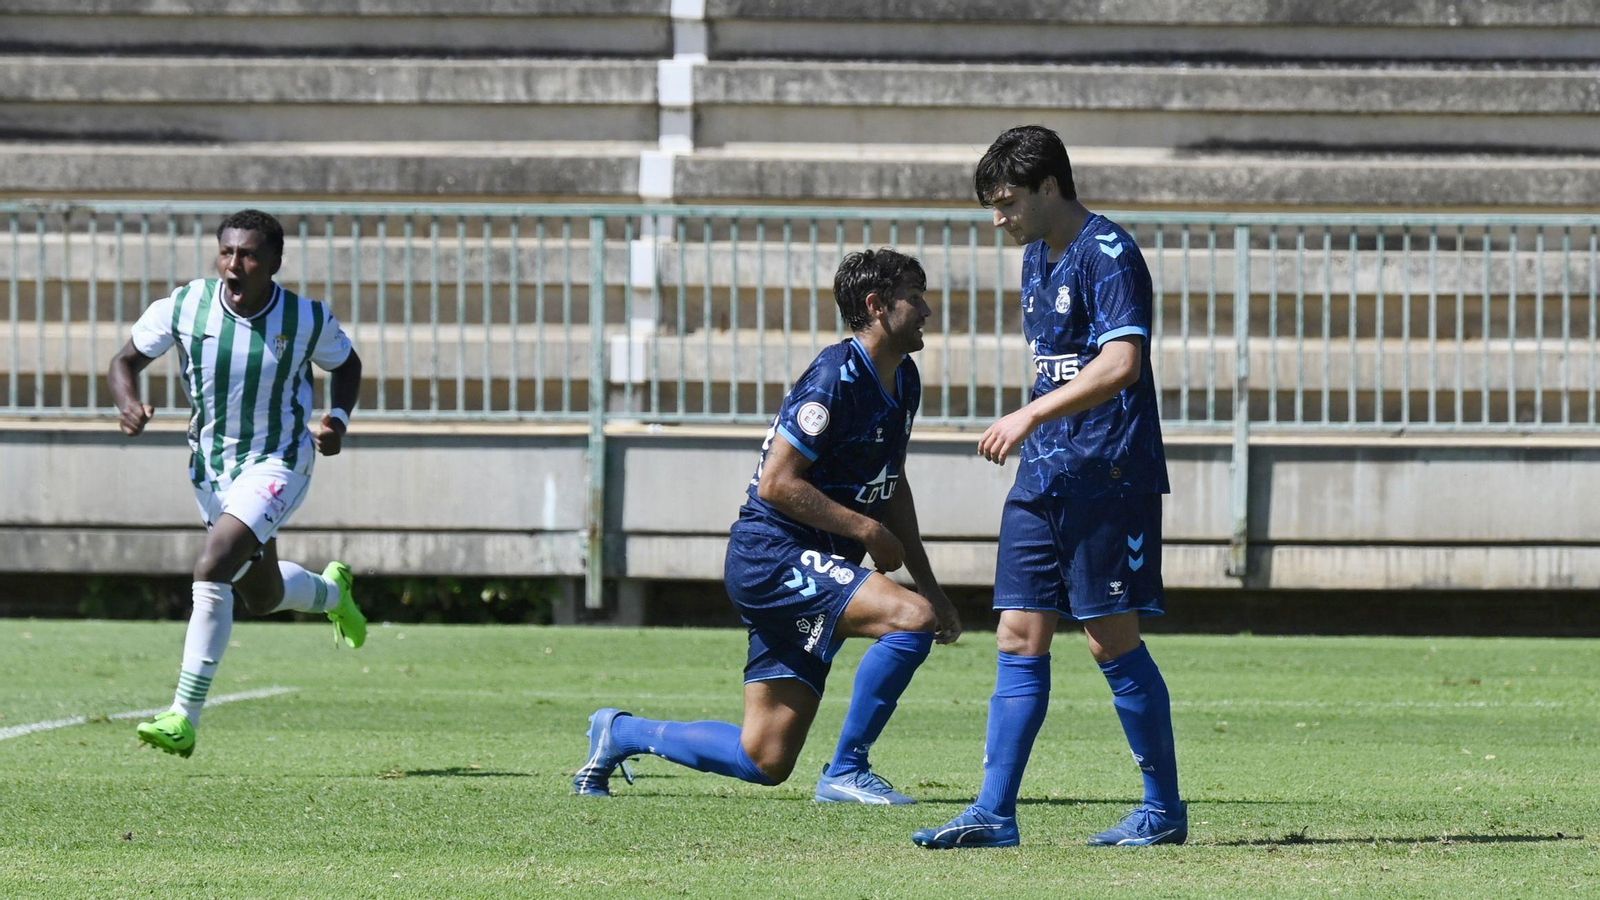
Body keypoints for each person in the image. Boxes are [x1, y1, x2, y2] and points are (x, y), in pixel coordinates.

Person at [575, 249, 961, 803]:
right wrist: (867, 532)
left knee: (763, 759)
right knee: (910, 619)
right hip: (772, 557)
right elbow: (776, 484)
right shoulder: (835, 377)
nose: (926, 310)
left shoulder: (904, 378)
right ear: (877, 305)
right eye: (914, 297)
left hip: (811, 567)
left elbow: (889, 481)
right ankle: (847, 770)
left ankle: (620, 732)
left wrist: (931, 584)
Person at [914, 126, 1185, 849]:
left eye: (1007, 203)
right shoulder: (1037, 255)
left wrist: (1029, 414)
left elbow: (1121, 363)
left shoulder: (1110, 254)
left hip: (1108, 473)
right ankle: (993, 813)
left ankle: (1162, 811)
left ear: (1050, 187)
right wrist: (1037, 427)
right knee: (1017, 633)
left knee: (1109, 640)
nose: (997, 219)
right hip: (1045, 473)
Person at [108, 208, 367, 759]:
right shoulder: (185, 305)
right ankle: (332, 593)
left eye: (248, 255)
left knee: (213, 565)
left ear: (274, 262)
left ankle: (183, 716)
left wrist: (338, 420)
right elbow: (124, 361)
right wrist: (128, 404)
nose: (233, 264)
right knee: (262, 595)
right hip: (212, 470)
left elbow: (347, 365)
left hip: (279, 461)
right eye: (227, 252)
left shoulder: (305, 318)